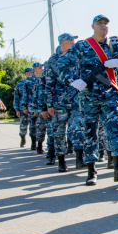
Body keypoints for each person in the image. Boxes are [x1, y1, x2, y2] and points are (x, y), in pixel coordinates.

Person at [57, 15, 118, 186]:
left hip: (110, 94)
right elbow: (61, 65)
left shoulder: (115, 46)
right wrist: (73, 81)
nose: (103, 26)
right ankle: (91, 171)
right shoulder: (83, 46)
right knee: (90, 133)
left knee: (116, 130)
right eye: (100, 23)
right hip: (88, 96)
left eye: (106, 23)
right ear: (93, 26)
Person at [46, 34, 86, 171]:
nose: (73, 44)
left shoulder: (78, 57)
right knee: (59, 132)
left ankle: (80, 158)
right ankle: (61, 161)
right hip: (59, 102)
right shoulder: (53, 60)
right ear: (62, 44)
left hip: (77, 100)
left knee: (77, 128)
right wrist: (49, 104)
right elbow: (49, 83)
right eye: (70, 42)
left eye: (74, 42)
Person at [21, 63, 42, 151]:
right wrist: (24, 107)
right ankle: (33, 143)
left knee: (41, 126)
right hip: (31, 106)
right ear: (35, 69)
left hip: (41, 106)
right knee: (33, 126)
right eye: (40, 67)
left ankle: (40, 144)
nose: (41, 69)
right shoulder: (28, 80)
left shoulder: (43, 78)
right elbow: (24, 94)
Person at [14, 67, 34, 147]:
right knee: (23, 124)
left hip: (33, 107)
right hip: (23, 107)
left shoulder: (35, 82)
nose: (31, 74)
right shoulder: (20, 84)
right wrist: (17, 109)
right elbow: (16, 97)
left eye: (32, 72)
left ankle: (33, 142)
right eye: (30, 72)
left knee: (33, 125)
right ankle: (22, 137)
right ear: (26, 73)